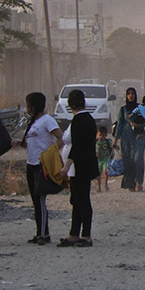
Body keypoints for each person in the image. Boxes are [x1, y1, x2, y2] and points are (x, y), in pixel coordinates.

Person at [20, 91, 61, 245]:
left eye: (28, 105)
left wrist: (51, 154)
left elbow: (60, 137)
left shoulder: (47, 120)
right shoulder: (33, 122)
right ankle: (40, 232)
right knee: (35, 201)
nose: (27, 107)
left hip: (40, 165)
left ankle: (44, 234)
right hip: (31, 164)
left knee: (41, 200)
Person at [61, 88, 99, 246]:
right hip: (84, 165)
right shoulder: (89, 119)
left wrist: (66, 166)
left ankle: (86, 235)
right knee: (77, 199)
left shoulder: (78, 121)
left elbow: (77, 146)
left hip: (80, 166)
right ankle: (74, 233)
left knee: (82, 200)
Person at [114, 87, 145, 192]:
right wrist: (115, 140)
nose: (131, 95)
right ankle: (131, 183)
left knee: (138, 159)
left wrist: (138, 125)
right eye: (129, 94)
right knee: (128, 161)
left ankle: (139, 181)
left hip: (139, 137)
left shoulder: (141, 108)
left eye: (133, 93)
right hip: (125, 139)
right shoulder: (123, 109)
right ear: (126, 96)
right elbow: (120, 125)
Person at [95, 128, 112, 193]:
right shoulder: (96, 142)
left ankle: (105, 184)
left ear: (106, 135)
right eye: (100, 135)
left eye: (103, 135)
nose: (101, 137)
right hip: (99, 160)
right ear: (97, 134)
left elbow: (112, 147)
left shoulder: (108, 142)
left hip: (106, 159)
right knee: (98, 173)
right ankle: (99, 187)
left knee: (105, 171)